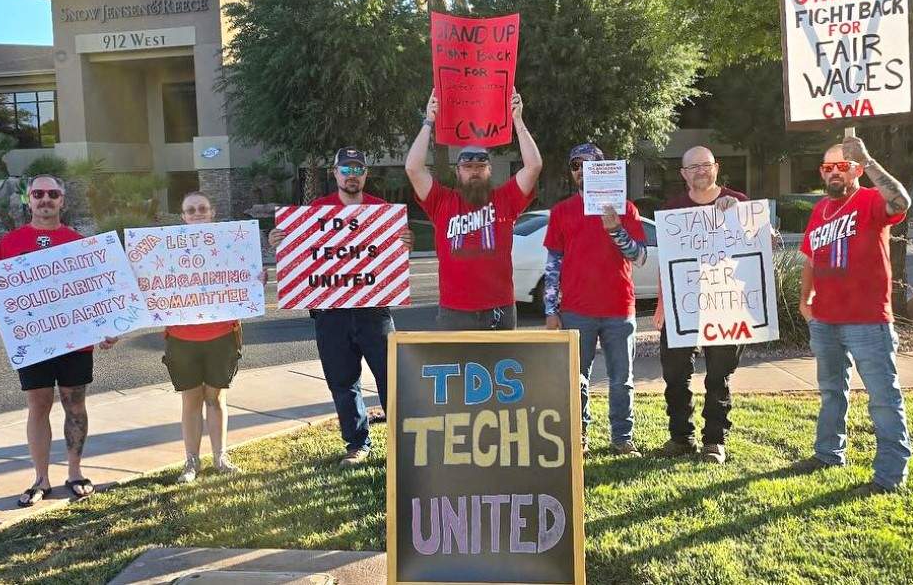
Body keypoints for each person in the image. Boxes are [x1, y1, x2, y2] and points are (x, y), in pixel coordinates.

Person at [268, 148, 413, 466]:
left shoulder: (382, 211)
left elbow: (392, 255)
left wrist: (405, 243)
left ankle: (403, 445)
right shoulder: (317, 211)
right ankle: (357, 444)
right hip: (331, 313)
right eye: (345, 169)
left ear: (365, 174)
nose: (351, 175)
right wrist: (280, 241)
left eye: (358, 169)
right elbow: (301, 253)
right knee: (343, 382)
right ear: (335, 173)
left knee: (392, 377)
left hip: (374, 311)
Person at [0, 174, 118, 506]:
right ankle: (41, 479)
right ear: (29, 199)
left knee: (75, 404)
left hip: (75, 341)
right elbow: (2, 292)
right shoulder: (10, 243)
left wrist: (107, 325)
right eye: (38, 193)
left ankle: (75, 472)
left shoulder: (80, 243)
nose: (45, 199)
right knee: (38, 405)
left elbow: (95, 292)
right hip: (34, 342)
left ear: (62, 201)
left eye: (52, 194)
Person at [796, 134, 913, 494]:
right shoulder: (819, 209)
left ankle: (889, 476)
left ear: (857, 170)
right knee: (832, 391)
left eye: (843, 166)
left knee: (883, 399)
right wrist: (804, 300)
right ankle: (828, 453)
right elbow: (810, 257)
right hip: (825, 319)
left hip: (868, 320)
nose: (834, 173)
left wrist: (868, 159)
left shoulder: (871, 200)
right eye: (828, 167)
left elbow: (901, 201)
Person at [404, 89, 543, 330]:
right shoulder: (441, 201)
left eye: (480, 166)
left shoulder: (505, 199)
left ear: (490, 170)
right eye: (468, 167)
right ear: (458, 171)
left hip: (499, 308)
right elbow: (413, 169)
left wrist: (517, 120)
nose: (474, 171)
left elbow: (534, 166)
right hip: (454, 311)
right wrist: (429, 121)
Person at [543, 143, 648, 456]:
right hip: (576, 310)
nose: (581, 171)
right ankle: (579, 437)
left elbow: (640, 257)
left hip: (619, 308)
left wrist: (616, 230)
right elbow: (553, 264)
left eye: (588, 164)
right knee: (576, 378)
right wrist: (550, 309)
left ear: (603, 168)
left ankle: (622, 438)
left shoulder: (625, 209)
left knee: (622, 380)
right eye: (575, 165)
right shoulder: (561, 211)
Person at [653, 146, 748, 464]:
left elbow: (759, 247)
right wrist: (662, 303)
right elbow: (666, 262)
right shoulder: (672, 210)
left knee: (718, 377)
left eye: (705, 165)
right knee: (675, 374)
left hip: (725, 305)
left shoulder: (738, 203)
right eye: (693, 167)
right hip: (682, 306)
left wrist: (736, 217)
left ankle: (714, 441)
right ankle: (681, 437)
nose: (700, 171)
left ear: (716, 168)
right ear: (683, 174)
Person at [167, 191, 245, 483]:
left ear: (212, 212)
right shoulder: (167, 250)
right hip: (181, 336)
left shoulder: (230, 245)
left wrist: (255, 281)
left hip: (222, 333)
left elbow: (244, 276)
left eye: (202, 208)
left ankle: (220, 457)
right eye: (191, 210)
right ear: (183, 217)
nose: (197, 213)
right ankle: (191, 461)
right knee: (191, 400)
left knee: (216, 398)